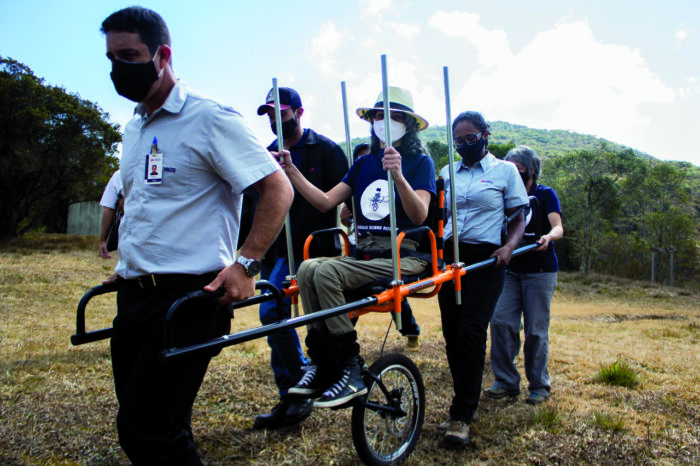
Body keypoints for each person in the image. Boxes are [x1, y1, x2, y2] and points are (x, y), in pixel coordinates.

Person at [99, 7, 293, 464]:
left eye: (129, 55)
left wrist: (247, 262)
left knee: (146, 431)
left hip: (190, 298)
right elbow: (147, 207)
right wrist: (130, 265)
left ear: (162, 55)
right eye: (110, 58)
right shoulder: (133, 127)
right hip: (135, 298)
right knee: (154, 421)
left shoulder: (209, 118)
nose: (117, 68)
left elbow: (277, 189)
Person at [281, 87, 435, 408]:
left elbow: (421, 214)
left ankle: (348, 365)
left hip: (404, 256)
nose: (384, 121)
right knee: (308, 268)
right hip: (366, 254)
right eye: (379, 115)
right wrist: (292, 171)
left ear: (407, 123)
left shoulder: (420, 163)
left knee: (326, 273)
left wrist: (400, 177)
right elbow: (325, 201)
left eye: (393, 116)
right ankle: (321, 361)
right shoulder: (363, 164)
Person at [253, 87, 348, 430]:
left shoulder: (326, 150)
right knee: (274, 320)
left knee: (271, 312)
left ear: (299, 112)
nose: (276, 121)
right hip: (273, 249)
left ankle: (299, 384)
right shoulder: (264, 155)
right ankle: (291, 393)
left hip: (312, 250)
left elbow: (343, 199)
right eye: (269, 115)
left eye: (282, 113)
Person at [437, 111, 528, 446]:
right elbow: (438, 214)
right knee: (452, 335)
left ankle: (461, 415)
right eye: (458, 141)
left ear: (485, 135)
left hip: (486, 261)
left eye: (470, 139)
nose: (464, 146)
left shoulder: (504, 171)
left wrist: (509, 247)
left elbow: (518, 217)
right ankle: (465, 399)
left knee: (472, 332)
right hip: (450, 258)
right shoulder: (447, 171)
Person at [485, 146, 563, 405]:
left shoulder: (545, 194)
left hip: (540, 271)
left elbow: (558, 227)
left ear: (532, 171)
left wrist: (548, 237)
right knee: (500, 322)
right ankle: (506, 381)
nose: (513, 174)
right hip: (511, 270)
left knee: (535, 330)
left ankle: (539, 385)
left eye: (518, 170)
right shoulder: (503, 194)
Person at [99, 169, 124, 259]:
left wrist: (103, 240)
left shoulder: (121, 174)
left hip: (130, 238)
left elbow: (109, 208)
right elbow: (109, 208)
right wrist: (103, 240)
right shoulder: (119, 175)